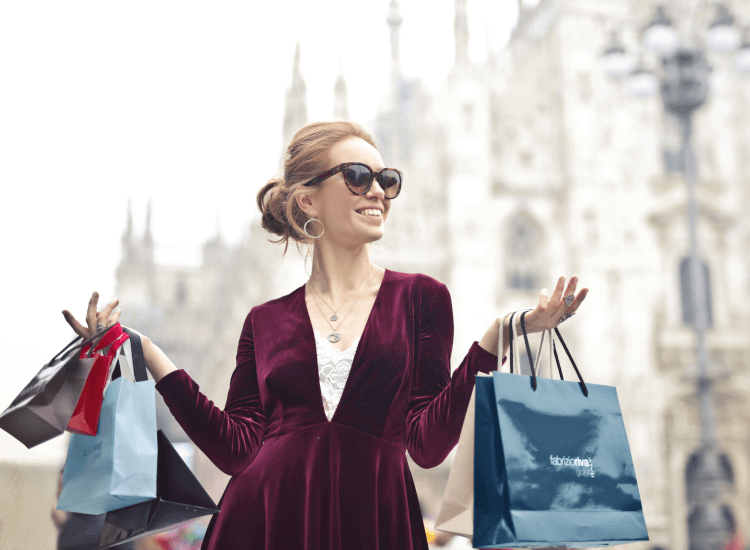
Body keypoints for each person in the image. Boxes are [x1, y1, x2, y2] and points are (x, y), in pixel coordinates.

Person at [62, 120, 589, 549]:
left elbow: (427, 446)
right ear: (309, 201)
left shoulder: (422, 299)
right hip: (262, 522)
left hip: (377, 522)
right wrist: (150, 352)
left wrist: (498, 336)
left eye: (388, 180)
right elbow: (236, 449)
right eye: (359, 176)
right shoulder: (265, 320)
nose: (378, 191)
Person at [52, 467, 136, 550]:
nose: (59, 492)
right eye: (59, 485)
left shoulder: (111, 522)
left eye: (64, 486)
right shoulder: (68, 527)